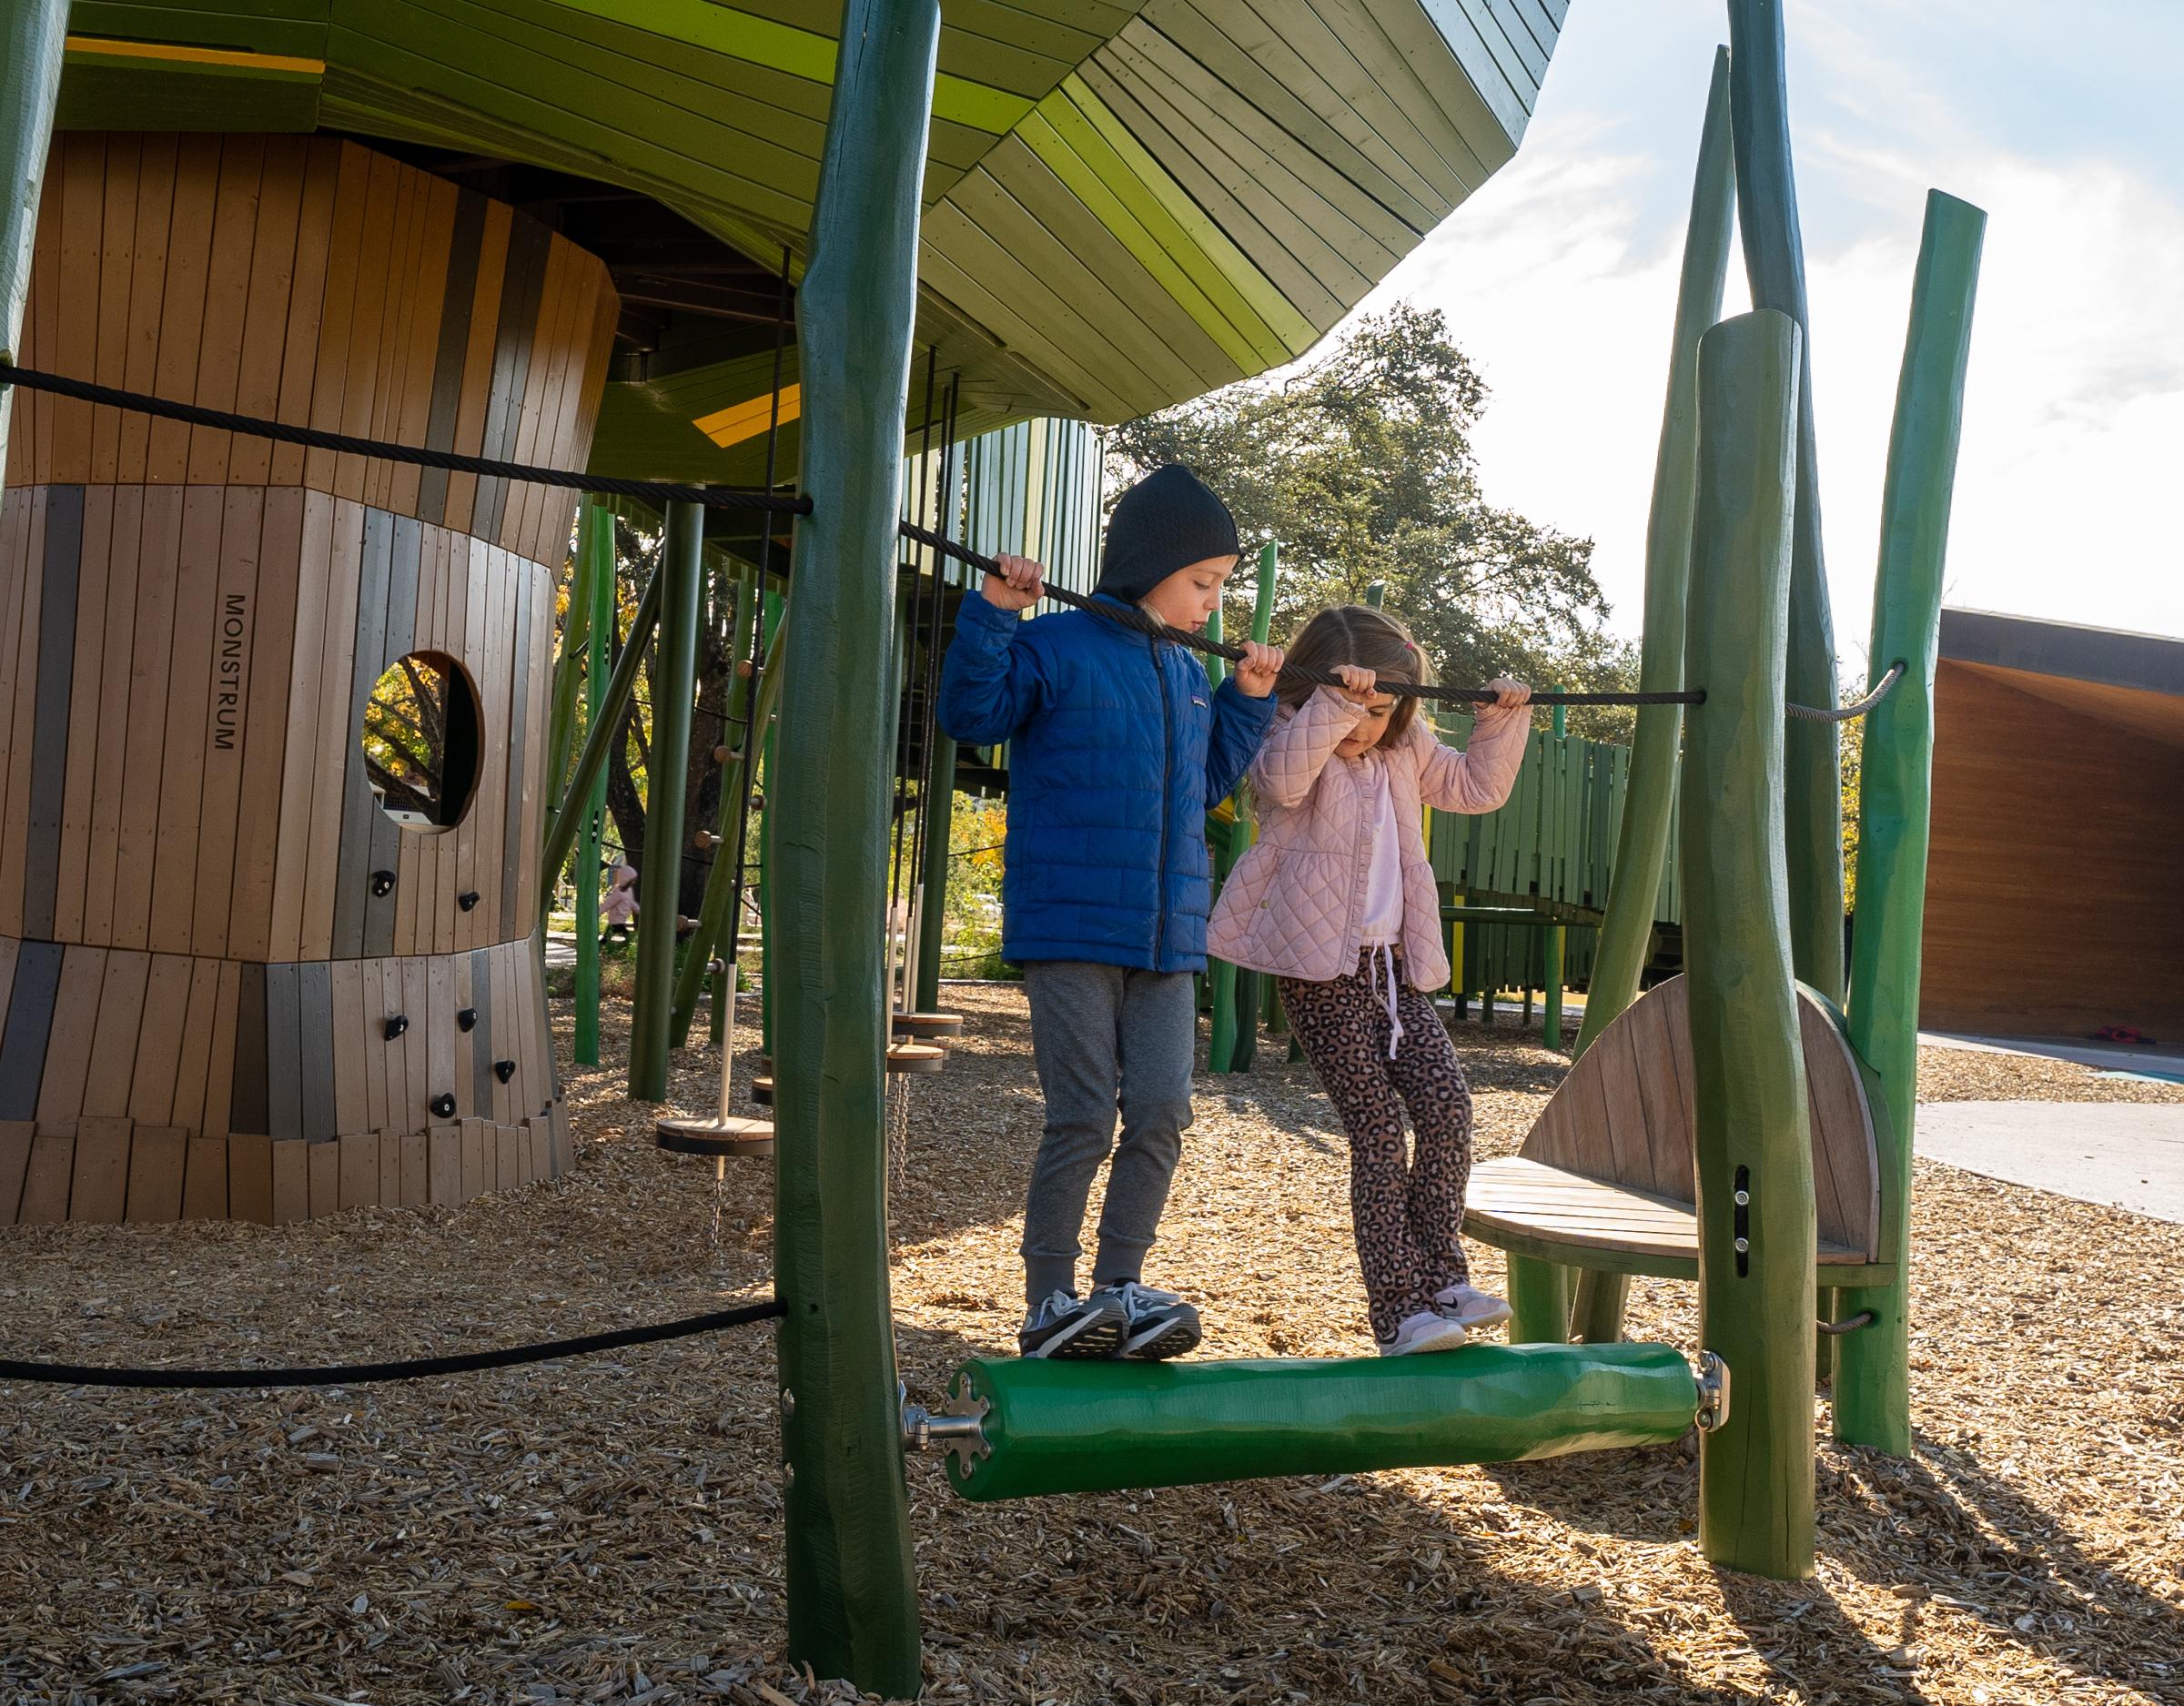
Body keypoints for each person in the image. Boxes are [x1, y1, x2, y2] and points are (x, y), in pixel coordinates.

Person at [939, 465, 1284, 1360]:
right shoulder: (1058, 646)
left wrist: (1246, 705)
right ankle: (1048, 1299)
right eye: (1202, 583)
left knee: (1164, 1110)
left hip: (1166, 936)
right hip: (1071, 928)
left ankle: (1118, 1289)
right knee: (1084, 1116)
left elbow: (1207, 782)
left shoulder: (1187, 674)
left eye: (1220, 586)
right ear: (1147, 566)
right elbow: (969, 714)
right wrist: (992, 615)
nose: (1213, 605)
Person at [1208, 605, 1532, 1355]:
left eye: (1381, 711)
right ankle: (1397, 1312)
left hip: (1393, 970)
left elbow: (1477, 789)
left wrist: (1502, 720)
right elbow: (1283, 785)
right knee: (1380, 1132)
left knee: (1448, 1106)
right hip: (1321, 974)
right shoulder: (1286, 730)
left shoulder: (1406, 747)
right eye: (1356, 708)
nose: (1364, 727)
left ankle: (1442, 1276)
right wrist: (1335, 703)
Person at [600, 862, 638, 948]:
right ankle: (627, 948)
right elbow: (608, 904)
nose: (634, 882)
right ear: (626, 880)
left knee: (606, 937)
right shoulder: (618, 892)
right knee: (627, 935)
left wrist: (639, 910)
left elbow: (631, 903)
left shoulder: (629, 891)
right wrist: (599, 912)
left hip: (621, 918)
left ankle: (601, 946)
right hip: (616, 919)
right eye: (632, 880)